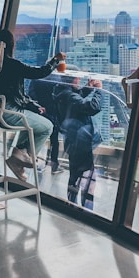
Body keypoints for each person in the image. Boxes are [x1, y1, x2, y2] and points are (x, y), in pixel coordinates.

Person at [0, 28, 65, 182]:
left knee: (32, 121)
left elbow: (12, 94)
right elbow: (40, 72)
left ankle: (18, 157)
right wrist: (56, 60)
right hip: (5, 114)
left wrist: (32, 106)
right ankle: (25, 156)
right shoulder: (12, 64)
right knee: (47, 127)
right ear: (12, 45)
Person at [54, 75, 103, 208]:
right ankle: (87, 208)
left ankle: (72, 205)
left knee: (74, 175)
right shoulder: (69, 96)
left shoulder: (61, 92)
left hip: (72, 139)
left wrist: (88, 88)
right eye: (77, 79)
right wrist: (99, 91)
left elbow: (76, 97)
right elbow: (92, 107)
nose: (79, 81)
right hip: (81, 140)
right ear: (72, 80)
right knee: (88, 177)